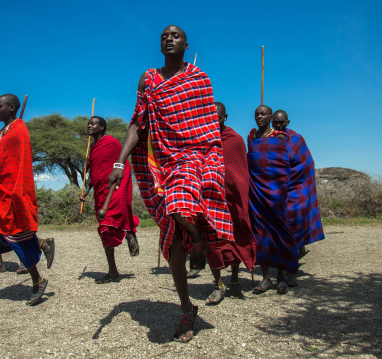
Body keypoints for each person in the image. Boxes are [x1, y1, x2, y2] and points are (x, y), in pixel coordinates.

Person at [108, 25, 234, 342]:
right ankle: (186, 306)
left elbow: (207, 124)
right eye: (164, 35)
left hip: (197, 156)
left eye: (176, 35)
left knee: (179, 209)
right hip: (165, 161)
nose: (169, 37)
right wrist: (120, 161)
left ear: (186, 44)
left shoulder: (199, 79)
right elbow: (138, 122)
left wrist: (209, 159)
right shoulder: (148, 80)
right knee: (172, 232)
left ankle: (198, 241)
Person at [0, 94, 49, 306]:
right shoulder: (2, 133)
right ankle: (41, 243)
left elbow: (21, 162)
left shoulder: (19, 128)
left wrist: (19, 192)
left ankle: (37, 281)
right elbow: (0, 161)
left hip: (14, 191)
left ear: (11, 107)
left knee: (16, 236)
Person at [205, 102, 256, 304]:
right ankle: (218, 284)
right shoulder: (202, 141)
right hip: (210, 198)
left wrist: (240, 196)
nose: (213, 120)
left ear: (225, 117)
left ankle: (234, 281)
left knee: (235, 237)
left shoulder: (234, 140)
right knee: (212, 241)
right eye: (209, 117)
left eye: (217, 117)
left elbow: (240, 173)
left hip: (233, 199)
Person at [0, 134, 55, 275]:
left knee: (17, 232)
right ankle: (0, 264)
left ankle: (29, 260)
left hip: (10, 201)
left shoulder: (9, 156)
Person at [80, 116, 140, 284]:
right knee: (104, 229)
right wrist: (86, 190)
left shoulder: (112, 142)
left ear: (102, 127)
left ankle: (129, 231)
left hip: (115, 186)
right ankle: (113, 271)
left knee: (109, 220)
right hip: (100, 191)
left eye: (93, 123)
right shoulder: (92, 148)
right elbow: (94, 173)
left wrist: (117, 181)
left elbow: (122, 165)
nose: (89, 126)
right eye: (89, 123)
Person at [247, 105, 297, 295]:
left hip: (275, 192)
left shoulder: (279, 137)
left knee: (278, 234)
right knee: (260, 234)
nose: (259, 117)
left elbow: (283, 165)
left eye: (263, 114)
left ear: (270, 117)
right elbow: (251, 161)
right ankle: (266, 277)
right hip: (257, 192)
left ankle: (281, 277)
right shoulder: (251, 137)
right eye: (256, 114)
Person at [272, 110, 325, 286]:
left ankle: (290, 272)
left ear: (287, 122)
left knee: (294, 227)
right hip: (277, 190)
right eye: (275, 123)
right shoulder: (269, 138)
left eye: (281, 123)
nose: (278, 126)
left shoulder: (296, 140)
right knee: (282, 231)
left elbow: (306, 164)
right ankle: (289, 260)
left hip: (296, 189)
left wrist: (289, 174)